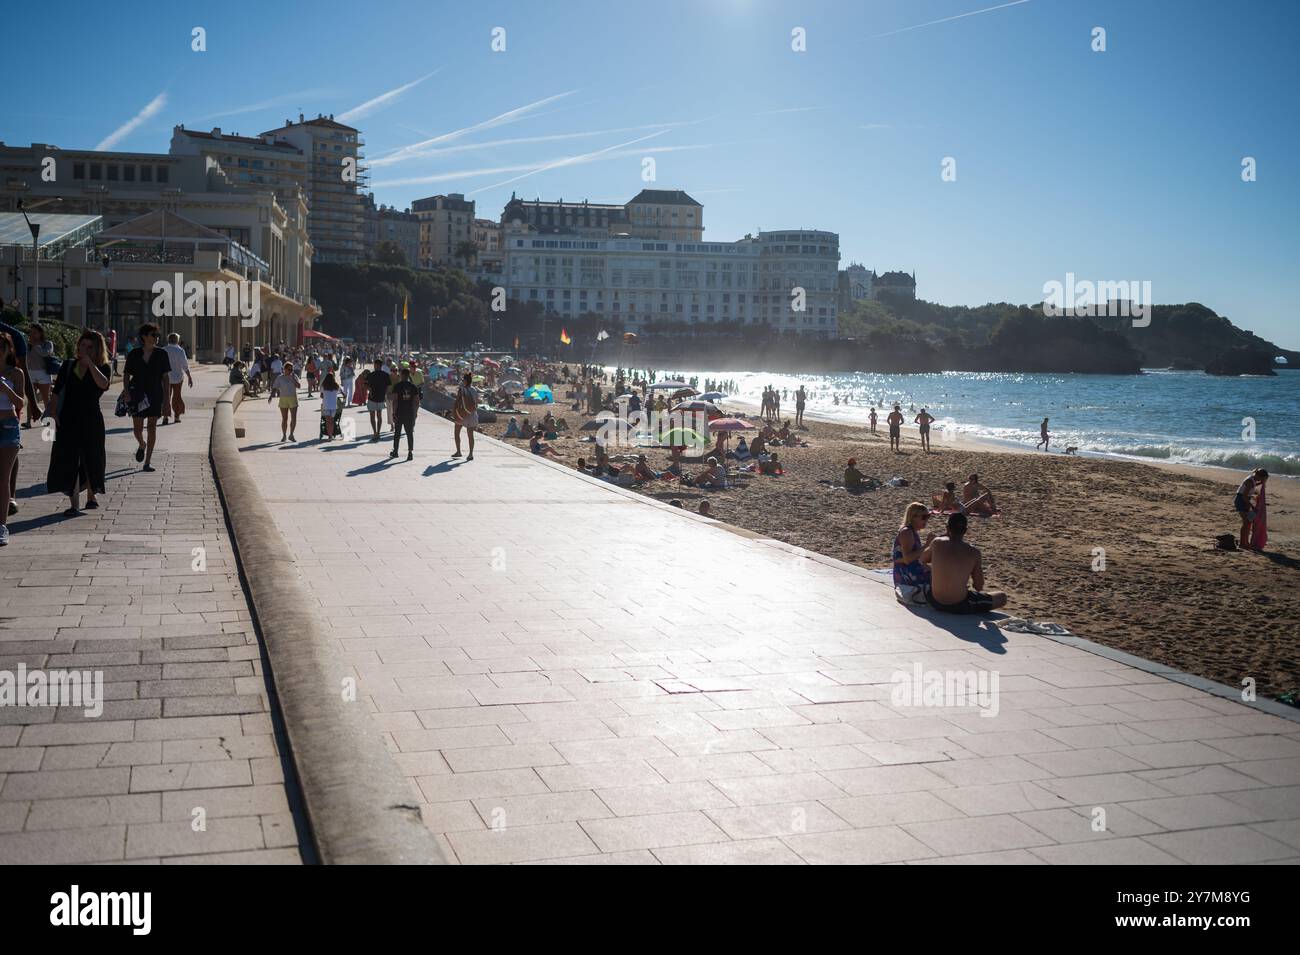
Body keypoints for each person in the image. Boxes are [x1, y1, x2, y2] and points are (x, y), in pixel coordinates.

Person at [47, 330, 112, 516]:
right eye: (82, 345)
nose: (84, 349)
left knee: (92, 457)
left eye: (89, 347)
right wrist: (53, 413)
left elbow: (103, 384)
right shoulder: (69, 365)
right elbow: (56, 392)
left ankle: (92, 496)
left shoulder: (103, 367)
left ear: (97, 349)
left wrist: (90, 364)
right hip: (68, 418)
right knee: (70, 460)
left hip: (92, 418)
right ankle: (74, 503)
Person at [923, 512, 1007, 614]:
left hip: (934, 600)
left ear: (947, 528)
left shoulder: (937, 542)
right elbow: (979, 586)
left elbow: (923, 560)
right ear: (965, 531)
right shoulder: (973, 552)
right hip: (958, 605)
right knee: (1002, 597)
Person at [121, 323, 170, 472]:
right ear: (144, 336)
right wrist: (126, 392)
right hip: (137, 394)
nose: (156, 338)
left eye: (157, 335)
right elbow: (126, 374)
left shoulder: (162, 354)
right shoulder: (134, 354)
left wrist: (167, 400)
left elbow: (166, 378)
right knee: (137, 429)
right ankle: (142, 444)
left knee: (152, 427)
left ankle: (147, 462)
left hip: (155, 394)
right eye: (153, 335)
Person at [0, 332, 26, 545]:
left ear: (9, 349)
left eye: (2, 346)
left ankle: (2, 526)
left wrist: (6, 390)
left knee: (3, 478)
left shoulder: (16, 373)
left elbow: (20, 403)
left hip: (9, 426)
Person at [892, 502, 933, 595]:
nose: (926, 520)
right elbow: (907, 559)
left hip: (909, 570)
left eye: (928, 517)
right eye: (923, 517)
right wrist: (927, 545)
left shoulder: (912, 531)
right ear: (913, 517)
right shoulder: (907, 532)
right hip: (906, 574)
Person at [24, 323, 56, 429]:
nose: (32, 335)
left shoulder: (47, 343)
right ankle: (28, 421)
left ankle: (48, 420)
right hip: (31, 373)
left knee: (46, 398)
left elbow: (45, 353)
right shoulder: (28, 345)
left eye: (35, 333)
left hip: (44, 373)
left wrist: (35, 346)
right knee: (30, 398)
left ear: (40, 333)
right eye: (31, 333)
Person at [388, 367, 421, 461]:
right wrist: (415, 413)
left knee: (397, 433)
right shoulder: (413, 387)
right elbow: (417, 402)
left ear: (402, 375)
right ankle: (410, 453)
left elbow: (395, 401)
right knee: (409, 433)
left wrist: (393, 413)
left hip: (399, 413)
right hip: (409, 413)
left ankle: (395, 452)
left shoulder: (397, 386)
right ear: (408, 376)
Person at [161, 333, 193, 425]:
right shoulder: (180, 351)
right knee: (177, 396)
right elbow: (184, 365)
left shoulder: (163, 350)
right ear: (177, 340)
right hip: (178, 377)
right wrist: (189, 377)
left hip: (166, 377)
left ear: (168, 340)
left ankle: (165, 417)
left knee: (166, 397)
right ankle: (177, 416)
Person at [1235, 468, 1269, 550]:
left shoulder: (1252, 480)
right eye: (1263, 479)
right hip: (1241, 501)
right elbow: (1244, 496)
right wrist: (1252, 507)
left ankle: (1245, 542)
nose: (1263, 480)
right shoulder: (1250, 481)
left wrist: (1261, 483)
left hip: (1244, 500)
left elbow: (1252, 486)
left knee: (1248, 522)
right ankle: (1243, 543)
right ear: (1259, 476)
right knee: (1246, 522)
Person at [452, 372, 478, 461]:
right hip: (472, 414)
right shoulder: (474, 390)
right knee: (470, 435)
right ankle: (470, 454)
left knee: (456, 432)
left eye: (463, 380)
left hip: (462, 414)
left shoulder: (461, 390)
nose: (462, 381)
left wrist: (454, 412)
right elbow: (476, 404)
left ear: (466, 381)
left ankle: (458, 451)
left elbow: (457, 402)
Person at [273, 361, 301, 442]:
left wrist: (293, 379)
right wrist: (271, 396)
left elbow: (299, 386)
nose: (290, 371)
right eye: (289, 369)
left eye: (291, 369)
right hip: (283, 398)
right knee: (284, 418)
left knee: (294, 418)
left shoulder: (294, 376)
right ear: (284, 369)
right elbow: (275, 387)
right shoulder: (280, 377)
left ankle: (291, 434)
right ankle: (284, 435)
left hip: (293, 398)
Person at [365, 359, 391, 441]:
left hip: (372, 398)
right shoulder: (386, 375)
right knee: (379, 416)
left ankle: (375, 432)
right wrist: (385, 394)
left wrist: (370, 390)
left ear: (376, 365)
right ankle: (378, 433)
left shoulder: (371, 375)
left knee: (372, 416)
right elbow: (388, 386)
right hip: (381, 398)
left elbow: (366, 385)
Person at [320, 372, 340, 440]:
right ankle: (331, 434)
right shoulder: (336, 386)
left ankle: (330, 435)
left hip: (326, 405)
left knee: (327, 421)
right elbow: (342, 393)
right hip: (333, 406)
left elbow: (321, 396)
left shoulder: (323, 386)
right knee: (332, 421)